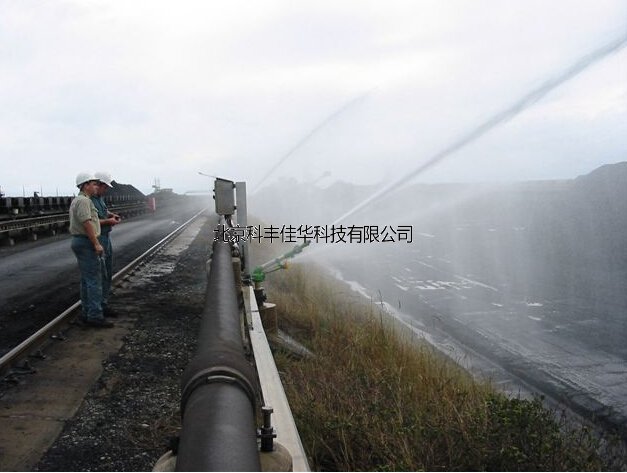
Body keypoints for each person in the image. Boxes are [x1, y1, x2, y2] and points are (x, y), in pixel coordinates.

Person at [69, 172, 113, 328]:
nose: (96, 186)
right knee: (95, 280)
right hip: (86, 242)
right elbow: (87, 224)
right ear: (85, 185)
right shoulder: (84, 202)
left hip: (81, 241)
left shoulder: (80, 200)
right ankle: (94, 315)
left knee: (87, 280)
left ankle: (87, 312)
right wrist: (96, 244)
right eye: (94, 184)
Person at [93, 171, 121, 317]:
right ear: (99, 184)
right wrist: (108, 221)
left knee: (107, 272)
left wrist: (110, 215)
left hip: (106, 237)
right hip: (99, 238)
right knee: (100, 274)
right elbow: (89, 222)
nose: (107, 190)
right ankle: (98, 307)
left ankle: (103, 303)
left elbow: (102, 211)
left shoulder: (100, 199)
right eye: (106, 187)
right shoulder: (89, 200)